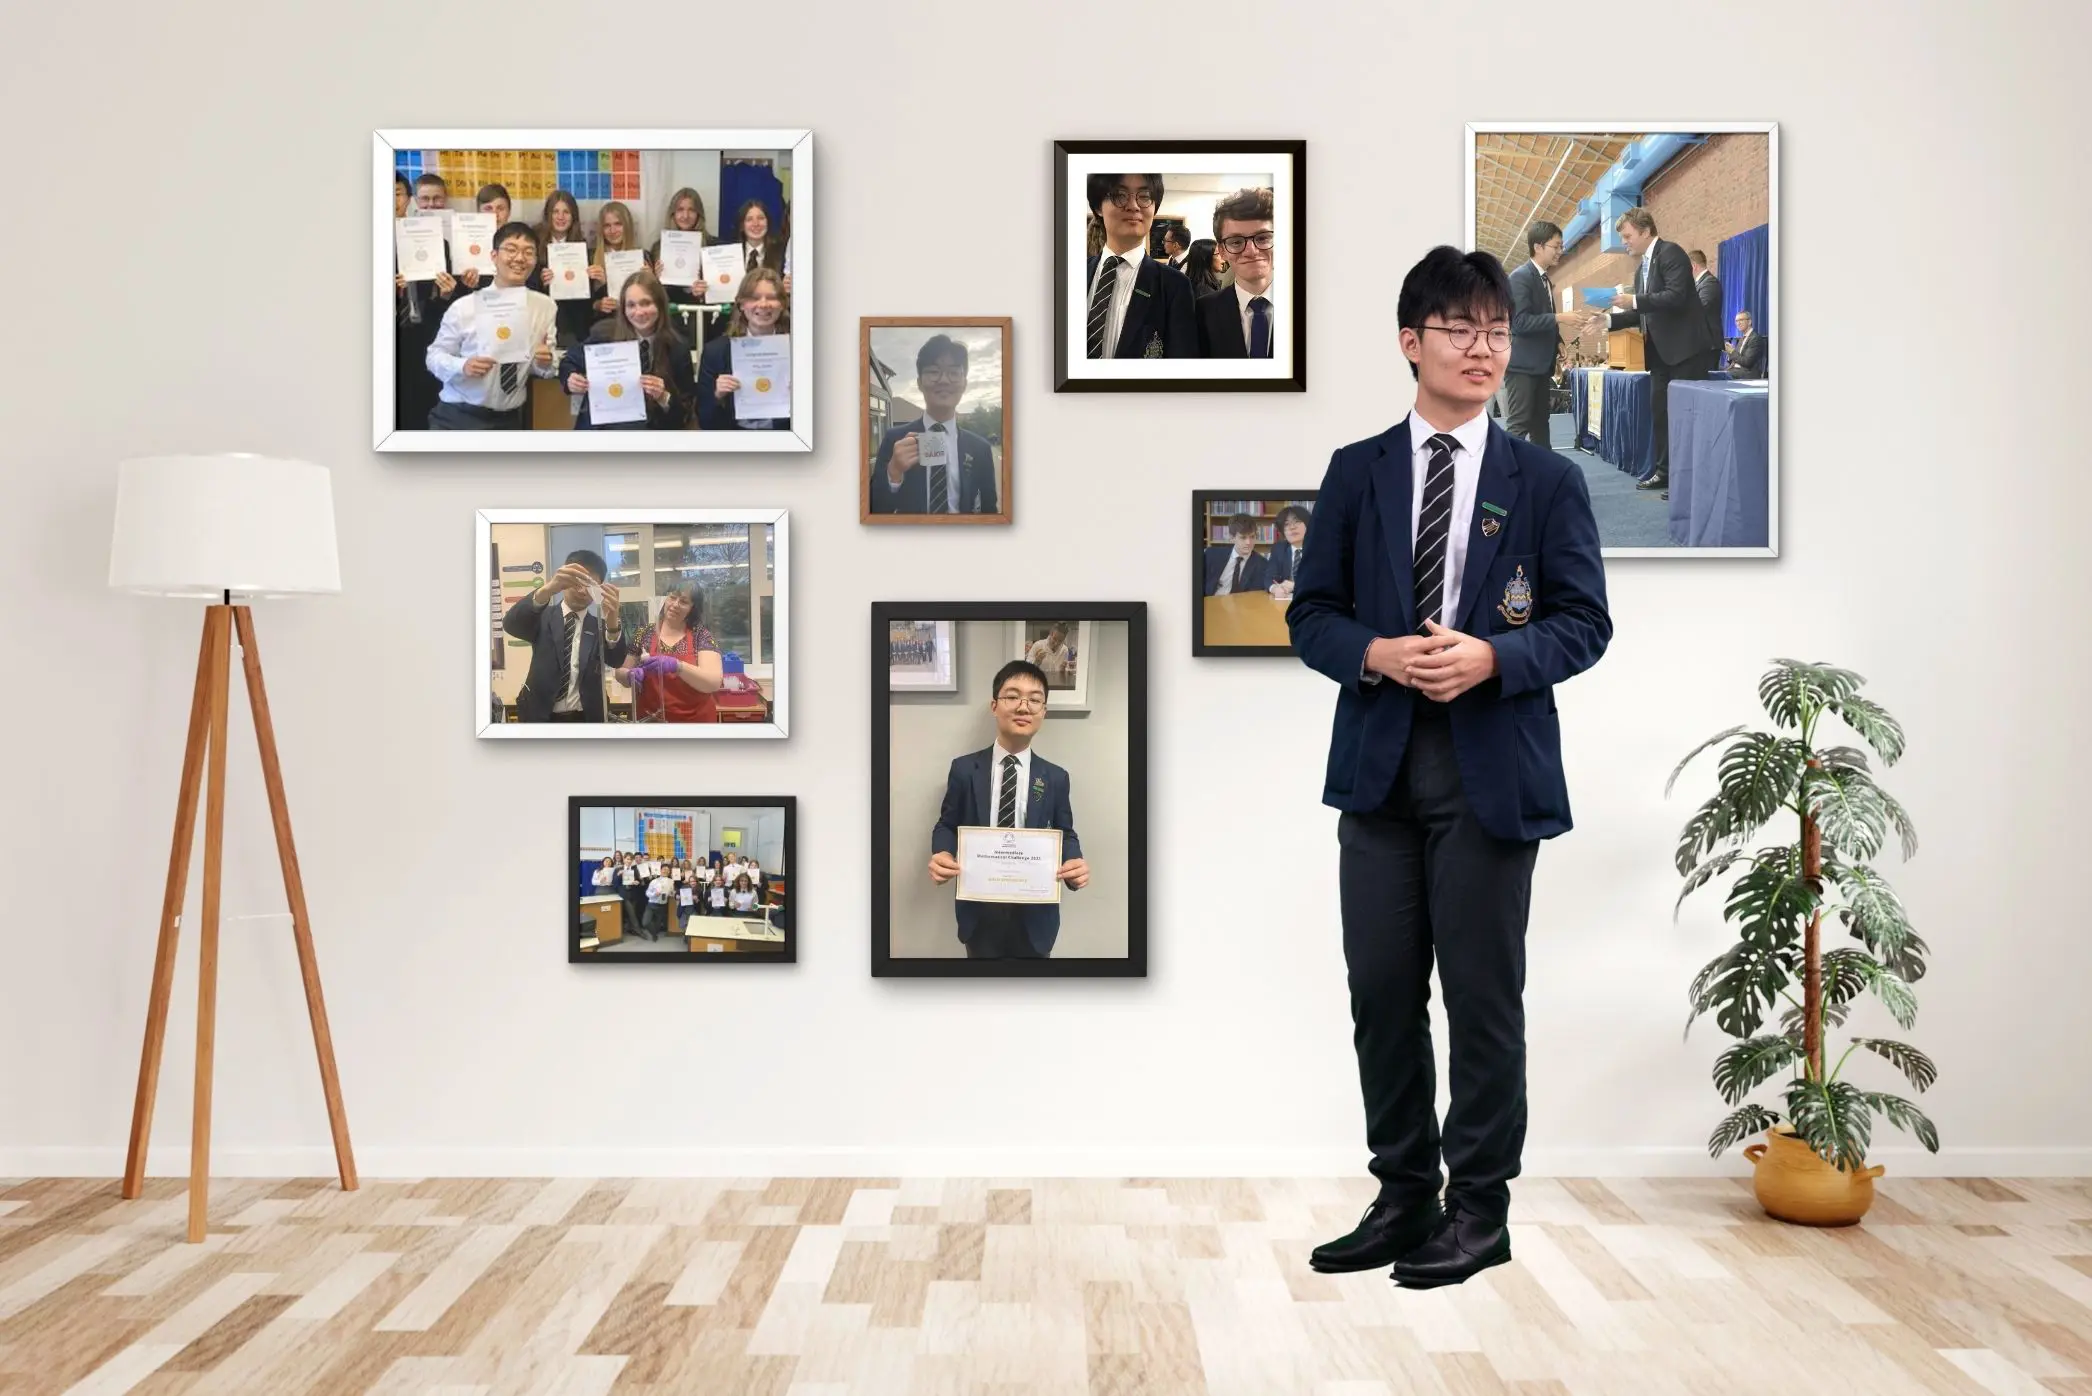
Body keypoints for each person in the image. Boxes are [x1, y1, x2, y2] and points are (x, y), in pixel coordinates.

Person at [1289, 245, 1611, 1290]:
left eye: (1495, 331)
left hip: (1490, 773)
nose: (1483, 347)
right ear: (1409, 342)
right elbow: (1310, 616)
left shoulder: (1546, 480)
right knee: (1380, 992)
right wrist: (1377, 653)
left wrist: (1493, 657)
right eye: (1460, 329)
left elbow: (1582, 624)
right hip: (1379, 771)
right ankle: (1401, 1195)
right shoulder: (1358, 471)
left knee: (1480, 998)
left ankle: (1479, 1209)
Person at [926, 660, 1090, 958]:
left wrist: (1074, 862)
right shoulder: (964, 769)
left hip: (1036, 916)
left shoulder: (1055, 777)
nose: (1023, 706)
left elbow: (1065, 833)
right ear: (994, 706)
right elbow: (947, 825)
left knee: (1033, 1001)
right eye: (1012, 696)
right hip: (979, 912)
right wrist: (942, 853)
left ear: (1044, 711)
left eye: (1035, 699)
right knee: (982, 999)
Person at [1593, 207, 1715, 496]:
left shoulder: (1671, 253)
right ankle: (1664, 472)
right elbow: (1642, 312)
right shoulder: (1641, 270)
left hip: (1686, 351)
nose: (1624, 242)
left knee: (1685, 418)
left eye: (1627, 236)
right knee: (1661, 415)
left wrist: (1633, 300)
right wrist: (1608, 319)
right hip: (1660, 355)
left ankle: (1687, 480)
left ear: (1645, 231)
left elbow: (1675, 297)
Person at [425, 221, 560, 430]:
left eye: (528, 252)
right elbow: (433, 356)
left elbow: (544, 368)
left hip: (509, 420)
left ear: (535, 260)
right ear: (494, 256)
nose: (519, 258)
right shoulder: (464, 306)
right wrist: (463, 366)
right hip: (458, 417)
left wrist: (544, 362)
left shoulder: (545, 307)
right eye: (511, 250)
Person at [868, 334, 999, 514]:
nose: (944, 380)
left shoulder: (980, 449)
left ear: (964, 384)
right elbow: (873, 509)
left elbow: (989, 510)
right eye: (933, 371)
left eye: (954, 373)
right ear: (919, 383)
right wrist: (893, 473)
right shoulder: (894, 440)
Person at [501, 549, 627, 723]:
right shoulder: (542, 616)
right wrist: (548, 589)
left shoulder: (600, 627)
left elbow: (616, 660)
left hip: (586, 719)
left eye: (591, 586)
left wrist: (612, 622)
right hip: (540, 717)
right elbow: (511, 624)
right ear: (564, 579)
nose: (583, 591)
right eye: (578, 582)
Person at [559, 271, 694, 431]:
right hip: (602, 434)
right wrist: (571, 379)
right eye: (631, 305)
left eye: (646, 303)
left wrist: (663, 397)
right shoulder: (604, 334)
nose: (639, 312)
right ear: (623, 308)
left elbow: (685, 411)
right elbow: (568, 362)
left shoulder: (677, 347)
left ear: (660, 305)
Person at [1083, 174, 1196, 359]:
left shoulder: (1175, 286)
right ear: (1098, 207)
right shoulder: (1069, 277)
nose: (1134, 206)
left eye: (1144, 196)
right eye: (1119, 195)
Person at [1505, 222, 1586, 448]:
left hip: (1541, 366)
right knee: (1519, 426)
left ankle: (1544, 474)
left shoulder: (1544, 280)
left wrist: (1558, 342)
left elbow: (1543, 316)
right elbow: (1519, 322)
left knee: (1541, 423)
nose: (1561, 251)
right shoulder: (1520, 278)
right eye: (1556, 246)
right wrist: (1560, 318)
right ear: (1538, 247)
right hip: (1522, 367)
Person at [614, 581, 723, 722]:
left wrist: (678, 666)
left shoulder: (701, 635)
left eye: (683, 601)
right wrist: (629, 675)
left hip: (694, 726)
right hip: (650, 723)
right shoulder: (644, 633)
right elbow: (620, 671)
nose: (675, 604)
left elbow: (713, 682)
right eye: (672, 597)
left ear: (692, 608)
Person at [697, 268, 790, 430]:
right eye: (754, 298)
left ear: (782, 304)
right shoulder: (716, 352)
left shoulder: (801, 351)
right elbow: (705, 421)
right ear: (741, 304)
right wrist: (717, 395)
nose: (763, 304)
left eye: (772, 297)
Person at [1195, 188, 1279, 358]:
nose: (1251, 251)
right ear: (1222, 251)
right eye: (1236, 241)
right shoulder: (1202, 312)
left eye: (1263, 238)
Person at [535, 189, 598, 349]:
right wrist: (541, 282)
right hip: (541, 320)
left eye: (566, 212)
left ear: (573, 217)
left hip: (571, 323)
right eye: (555, 212)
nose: (560, 217)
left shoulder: (582, 249)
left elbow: (586, 305)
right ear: (547, 215)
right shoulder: (534, 244)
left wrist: (588, 281)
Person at [588, 200, 649, 324]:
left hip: (636, 324)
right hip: (604, 324)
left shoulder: (643, 257)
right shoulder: (591, 258)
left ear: (627, 226)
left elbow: (652, 302)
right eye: (607, 226)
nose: (612, 230)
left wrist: (650, 281)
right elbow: (583, 305)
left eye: (618, 224)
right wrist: (598, 305)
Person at [1203, 514, 1270, 597]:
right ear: (1232, 538)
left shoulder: (1263, 565)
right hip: (1211, 603)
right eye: (1243, 538)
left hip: (1242, 607)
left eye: (1252, 537)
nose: (1248, 542)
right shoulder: (1211, 555)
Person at [732, 199, 787, 281]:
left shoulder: (782, 254)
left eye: (761, 218)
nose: (756, 224)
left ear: (768, 222)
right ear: (742, 226)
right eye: (749, 219)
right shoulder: (730, 254)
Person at [1267, 504, 1312, 599]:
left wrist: (1297, 586)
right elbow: (1268, 577)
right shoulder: (1279, 549)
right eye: (1286, 524)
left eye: (1297, 522)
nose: (1292, 527)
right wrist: (1275, 588)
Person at [1689, 250, 1724, 356]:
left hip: (1708, 344)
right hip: (1700, 344)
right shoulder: (1699, 283)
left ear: (1693, 266)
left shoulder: (1709, 282)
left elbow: (1700, 308)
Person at [1728, 310, 1767, 379]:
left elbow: (1747, 362)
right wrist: (1729, 352)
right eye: (1736, 321)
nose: (1738, 323)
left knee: (1717, 376)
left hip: (1747, 373)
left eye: (1741, 320)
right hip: (1735, 370)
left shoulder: (1755, 338)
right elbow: (1737, 358)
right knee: (1712, 372)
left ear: (1749, 322)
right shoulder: (1742, 338)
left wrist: (1732, 351)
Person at [644, 864, 676, 941]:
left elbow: (671, 892)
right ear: (660, 870)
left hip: (662, 906)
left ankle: (654, 934)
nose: (665, 871)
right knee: (645, 922)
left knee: (658, 925)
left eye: (667, 870)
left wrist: (674, 894)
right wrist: (654, 894)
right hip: (651, 904)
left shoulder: (671, 882)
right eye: (664, 869)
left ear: (669, 872)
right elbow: (647, 893)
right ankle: (654, 934)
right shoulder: (654, 881)